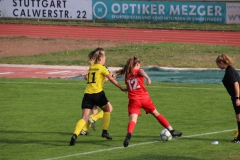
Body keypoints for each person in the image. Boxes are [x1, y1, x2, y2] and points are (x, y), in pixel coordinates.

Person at [115, 56, 183, 147]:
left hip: (134, 100)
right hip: (144, 98)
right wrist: (148, 77)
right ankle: (171, 130)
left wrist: (125, 89)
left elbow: (132, 86)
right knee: (156, 114)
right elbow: (141, 71)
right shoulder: (139, 70)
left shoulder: (127, 75)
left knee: (133, 120)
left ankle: (129, 135)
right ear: (137, 64)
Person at [69, 47, 126, 146]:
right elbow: (111, 79)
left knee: (84, 118)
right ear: (100, 59)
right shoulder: (102, 67)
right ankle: (105, 131)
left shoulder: (91, 68)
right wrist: (121, 87)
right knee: (107, 110)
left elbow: (89, 78)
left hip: (87, 94)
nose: (105, 60)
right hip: (98, 94)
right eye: (104, 59)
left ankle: (75, 135)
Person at [216, 54, 240, 143]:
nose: (218, 66)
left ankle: (239, 138)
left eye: (218, 64)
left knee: (239, 116)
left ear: (221, 62)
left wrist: (237, 98)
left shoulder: (230, 72)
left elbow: (236, 84)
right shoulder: (230, 70)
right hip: (235, 96)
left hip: (237, 96)